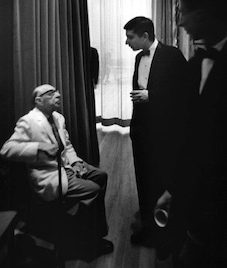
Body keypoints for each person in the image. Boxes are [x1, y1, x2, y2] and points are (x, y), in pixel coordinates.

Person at [0, 84, 113, 256]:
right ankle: (89, 241)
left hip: (66, 166)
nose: (58, 95)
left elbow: (67, 146)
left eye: (57, 91)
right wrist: (37, 147)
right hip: (48, 174)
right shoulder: (28, 121)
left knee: (100, 176)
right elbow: (7, 150)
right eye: (51, 93)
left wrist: (75, 161)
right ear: (38, 100)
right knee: (94, 190)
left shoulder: (58, 118)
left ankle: (85, 228)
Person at [156, 0, 227, 267]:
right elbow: (191, 137)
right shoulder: (197, 64)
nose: (180, 22)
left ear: (206, 11)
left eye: (183, 12)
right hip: (195, 202)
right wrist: (174, 188)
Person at [123, 16, 188, 256]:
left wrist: (152, 97)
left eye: (130, 37)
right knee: (143, 180)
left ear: (145, 36)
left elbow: (183, 95)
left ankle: (165, 234)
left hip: (164, 134)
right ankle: (149, 228)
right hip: (141, 132)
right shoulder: (139, 57)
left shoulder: (172, 56)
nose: (127, 42)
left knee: (162, 180)